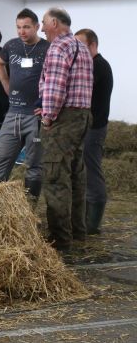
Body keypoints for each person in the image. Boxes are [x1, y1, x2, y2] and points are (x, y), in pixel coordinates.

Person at [38, 8, 93, 252]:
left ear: (54, 23)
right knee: (76, 175)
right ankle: (78, 233)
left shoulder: (59, 47)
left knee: (55, 176)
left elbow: (55, 86)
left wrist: (48, 116)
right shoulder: (81, 47)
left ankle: (59, 240)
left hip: (64, 118)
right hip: (82, 116)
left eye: (42, 23)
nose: (41, 29)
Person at [0, 8, 50, 201]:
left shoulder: (47, 48)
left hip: (36, 115)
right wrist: (5, 83)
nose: (22, 31)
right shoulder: (12, 46)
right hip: (13, 112)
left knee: (34, 165)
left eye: (26, 27)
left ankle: (28, 211)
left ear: (37, 27)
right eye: (18, 27)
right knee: (1, 160)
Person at [74, 29, 112, 236]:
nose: (78, 50)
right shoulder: (93, 65)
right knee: (85, 171)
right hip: (88, 126)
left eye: (81, 46)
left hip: (94, 128)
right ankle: (87, 220)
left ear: (93, 45)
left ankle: (93, 224)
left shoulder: (98, 67)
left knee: (92, 171)